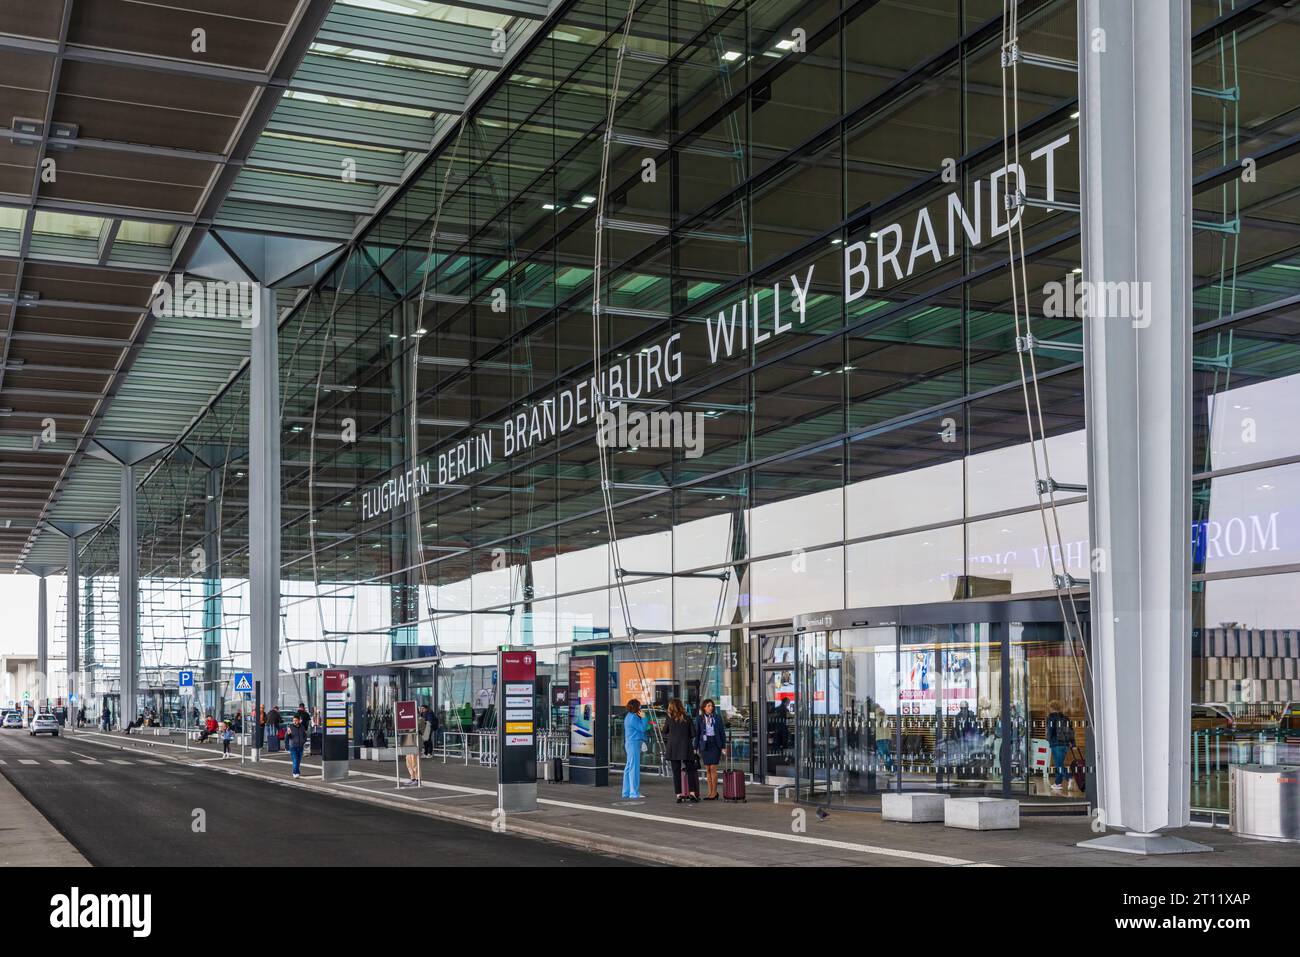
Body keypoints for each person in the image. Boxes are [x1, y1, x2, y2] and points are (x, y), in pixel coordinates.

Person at [663, 698, 699, 803]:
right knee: (690, 770)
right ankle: (692, 793)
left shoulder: (669, 718)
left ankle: (679, 795)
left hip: (673, 748)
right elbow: (693, 734)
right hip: (686, 748)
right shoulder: (687, 718)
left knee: (676, 772)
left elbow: (664, 731)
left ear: (671, 707)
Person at [695, 698, 727, 800]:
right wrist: (695, 747)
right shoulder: (700, 718)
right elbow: (697, 734)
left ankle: (714, 792)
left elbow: (722, 733)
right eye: (708, 706)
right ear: (704, 708)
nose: (710, 708)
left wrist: (723, 746)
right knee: (707, 768)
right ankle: (710, 792)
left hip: (715, 744)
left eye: (711, 706)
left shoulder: (717, 718)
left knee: (713, 767)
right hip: (705, 744)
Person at [1046, 700, 1075, 792]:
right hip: (1065, 745)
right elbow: (1071, 731)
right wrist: (1073, 743)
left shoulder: (1051, 718)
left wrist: (1048, 739)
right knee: (1060, 764)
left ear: (1051, 708)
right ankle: (1058, 783)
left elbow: (1050, 730)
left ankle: (1069, 777)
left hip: (1056, 744)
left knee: (1058, 765)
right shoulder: (1066, 718)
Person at [622, 699, 646, 799]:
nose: (640, 708)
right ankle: (634, 793)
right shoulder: (633, 718)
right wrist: (644, 718)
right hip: (634, 743)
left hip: (630, 743)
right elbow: (643, 728)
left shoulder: (628, 717)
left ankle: (626, 792)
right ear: (636, 707)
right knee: (634, 768)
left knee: (629, 767)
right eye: (639, 706)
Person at [285, 714, 308, 779]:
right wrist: (287, 745)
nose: (294, 722)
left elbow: (305, 735)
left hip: (300, 746)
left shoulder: (302, 727)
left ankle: (296, 772)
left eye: (296, 720)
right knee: (295, 760)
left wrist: (304, 741)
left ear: (299, 721)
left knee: (298, 761)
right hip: (293, 747)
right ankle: (295, 773)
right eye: (293, 720)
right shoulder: (290, 727)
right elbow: (287, 737)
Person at [873, 706, 893, 773]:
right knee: (886, 754)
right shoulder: (885, 716)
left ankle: (891, 768)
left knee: (884, 754)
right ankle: (890, 769)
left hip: (881, 737)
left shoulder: (879, 715)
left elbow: (878, 724)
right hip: (885, 737)